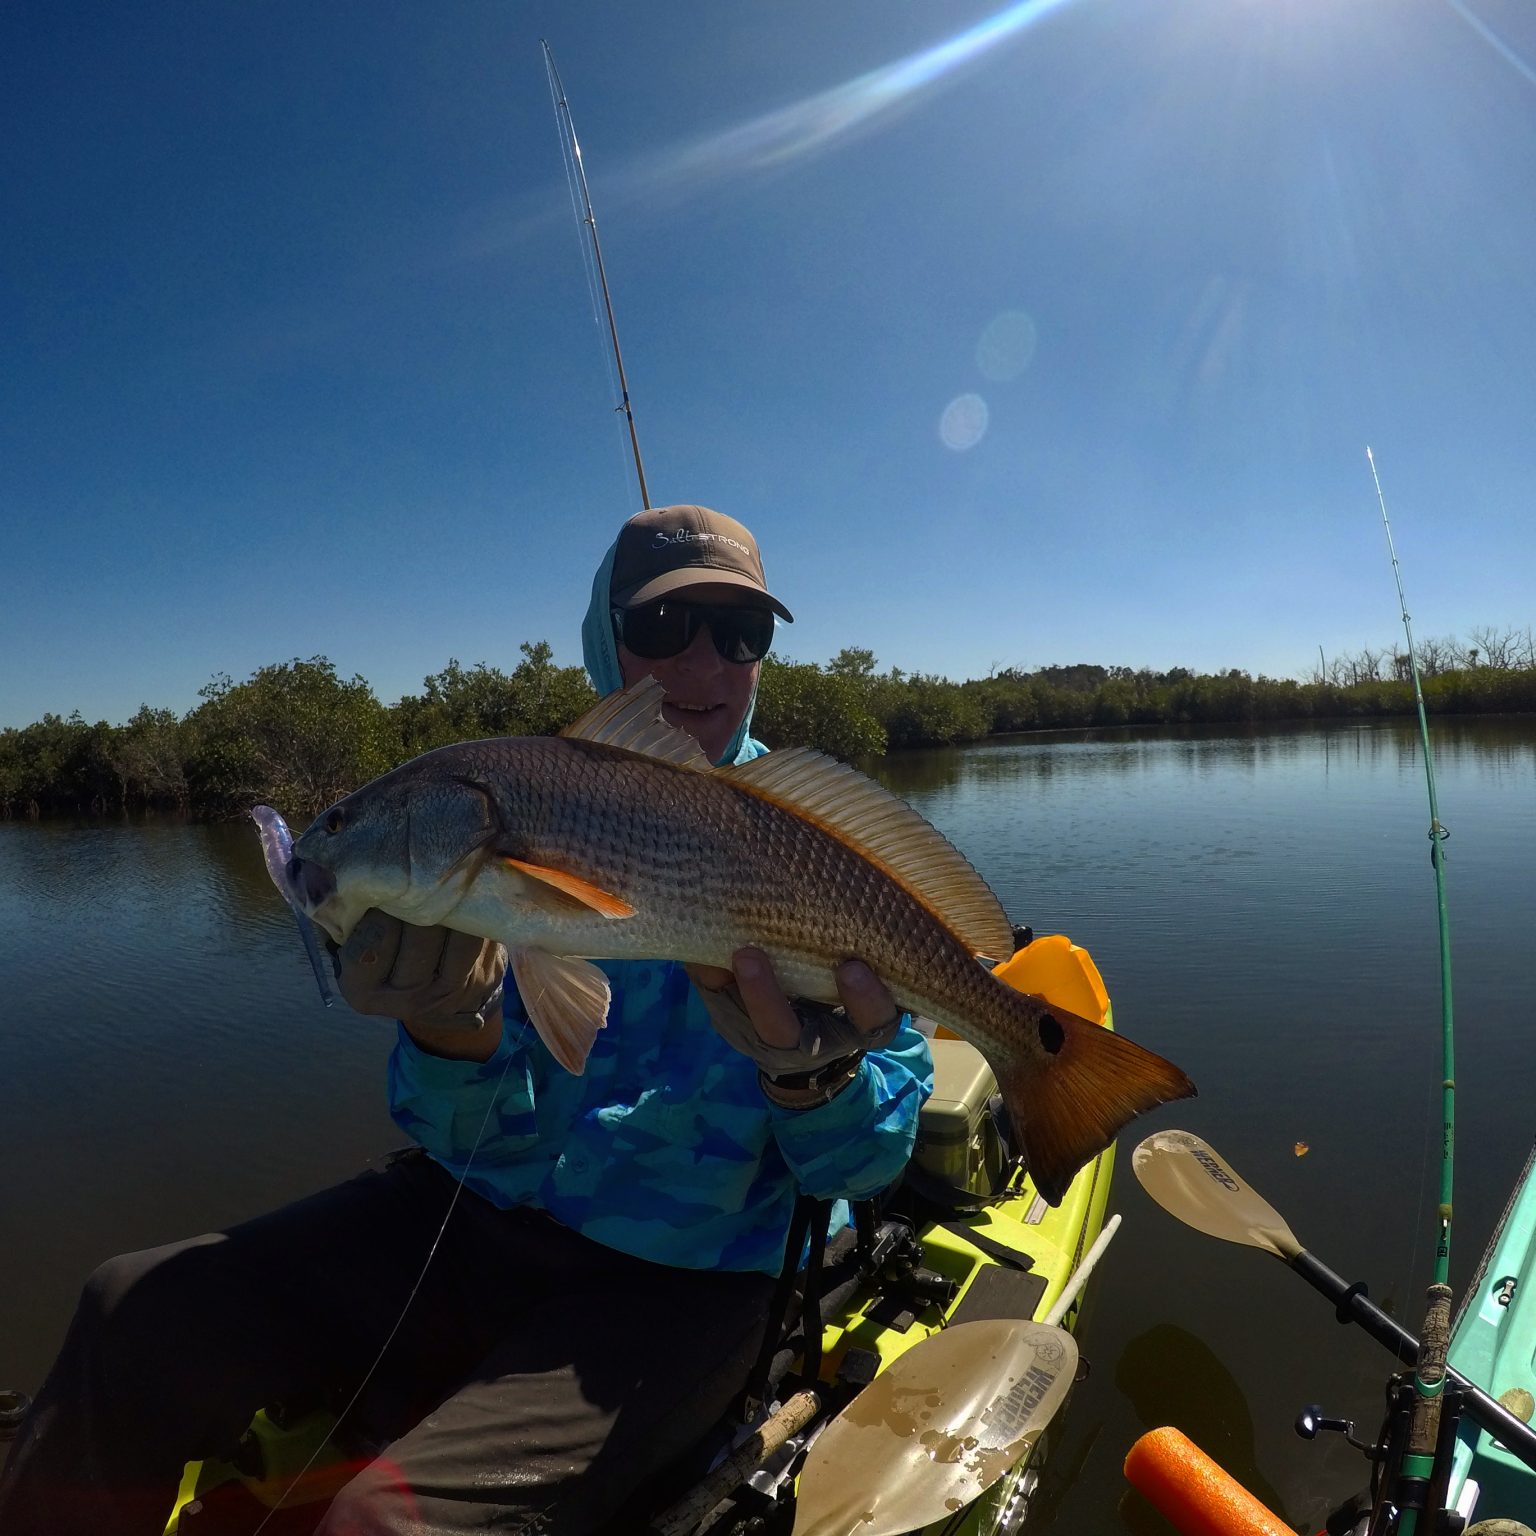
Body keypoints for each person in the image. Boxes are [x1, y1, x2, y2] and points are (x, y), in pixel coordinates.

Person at [0, 504, 935, 1536]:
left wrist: (812, 1079)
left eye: (739, 631)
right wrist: (453, 1029)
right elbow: (483, 1145)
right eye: (663, 629)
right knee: (128, 1310)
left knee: (380, 1526)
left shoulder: (824, 850)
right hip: (483, 1223)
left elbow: (860, 1170)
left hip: (695, 1280)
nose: (702, 661)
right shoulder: (521, 804)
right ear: (603, 640)